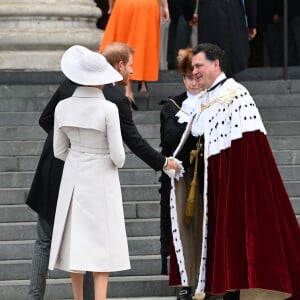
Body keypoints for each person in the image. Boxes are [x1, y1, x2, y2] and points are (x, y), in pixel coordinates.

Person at [26, 41, 180, 300]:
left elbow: (46, 121)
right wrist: (163, 162)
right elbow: (131, 143)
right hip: (94, 175)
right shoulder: (116, 99)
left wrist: (72, 145)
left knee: (50, 240)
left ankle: (35, 297)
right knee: (93, 242)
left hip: (58, 169)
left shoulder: (66, 88)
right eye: (130, 65)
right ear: (118, 66)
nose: (131, 71)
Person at [169, 43, 300, 300]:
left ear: (215, 64)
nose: (194, 72)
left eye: (199, 66)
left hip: (234, 181)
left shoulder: (235, 93)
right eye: (192, 67)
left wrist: (236, 184)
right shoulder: (204, 99)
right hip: (211, 181)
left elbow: (250, 147)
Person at [47, 45, 129, 300]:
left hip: (73, 176)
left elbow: (59, 150)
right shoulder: (108, 109)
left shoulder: (62, 107)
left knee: (76, 245)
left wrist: (79, 156)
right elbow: (119, 157)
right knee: (101, 245)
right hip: (102, 177)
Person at [159, 48, 204, 300]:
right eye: (189, 77)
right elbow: (166, 144)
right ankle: (187, 282)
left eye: (197, 76)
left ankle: (206, 280)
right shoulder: (172, 106)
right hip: (182, 177)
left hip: (208, 176)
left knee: (206, 227)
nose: (194, 82)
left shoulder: (216, 102)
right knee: (184, 228)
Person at [98, 0, 170, 100]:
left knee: (124, 42)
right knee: (144, 41)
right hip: (148, 6)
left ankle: (128, 90)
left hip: (125, 4)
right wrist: (165, 6)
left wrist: (111, 6)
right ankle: (143, 79)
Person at [197, 0, 257, 76]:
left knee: (209, 56)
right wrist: (252, 23)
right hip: (232, 10)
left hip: (208, 10)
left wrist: (188, 14)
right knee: (230, 59)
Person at [167, 0, 196, 69]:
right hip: (184, 14)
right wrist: (190, 15)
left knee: (174, 46)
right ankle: (176, 67)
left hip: (175, 12)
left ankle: (172, 65)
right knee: (180, 47)